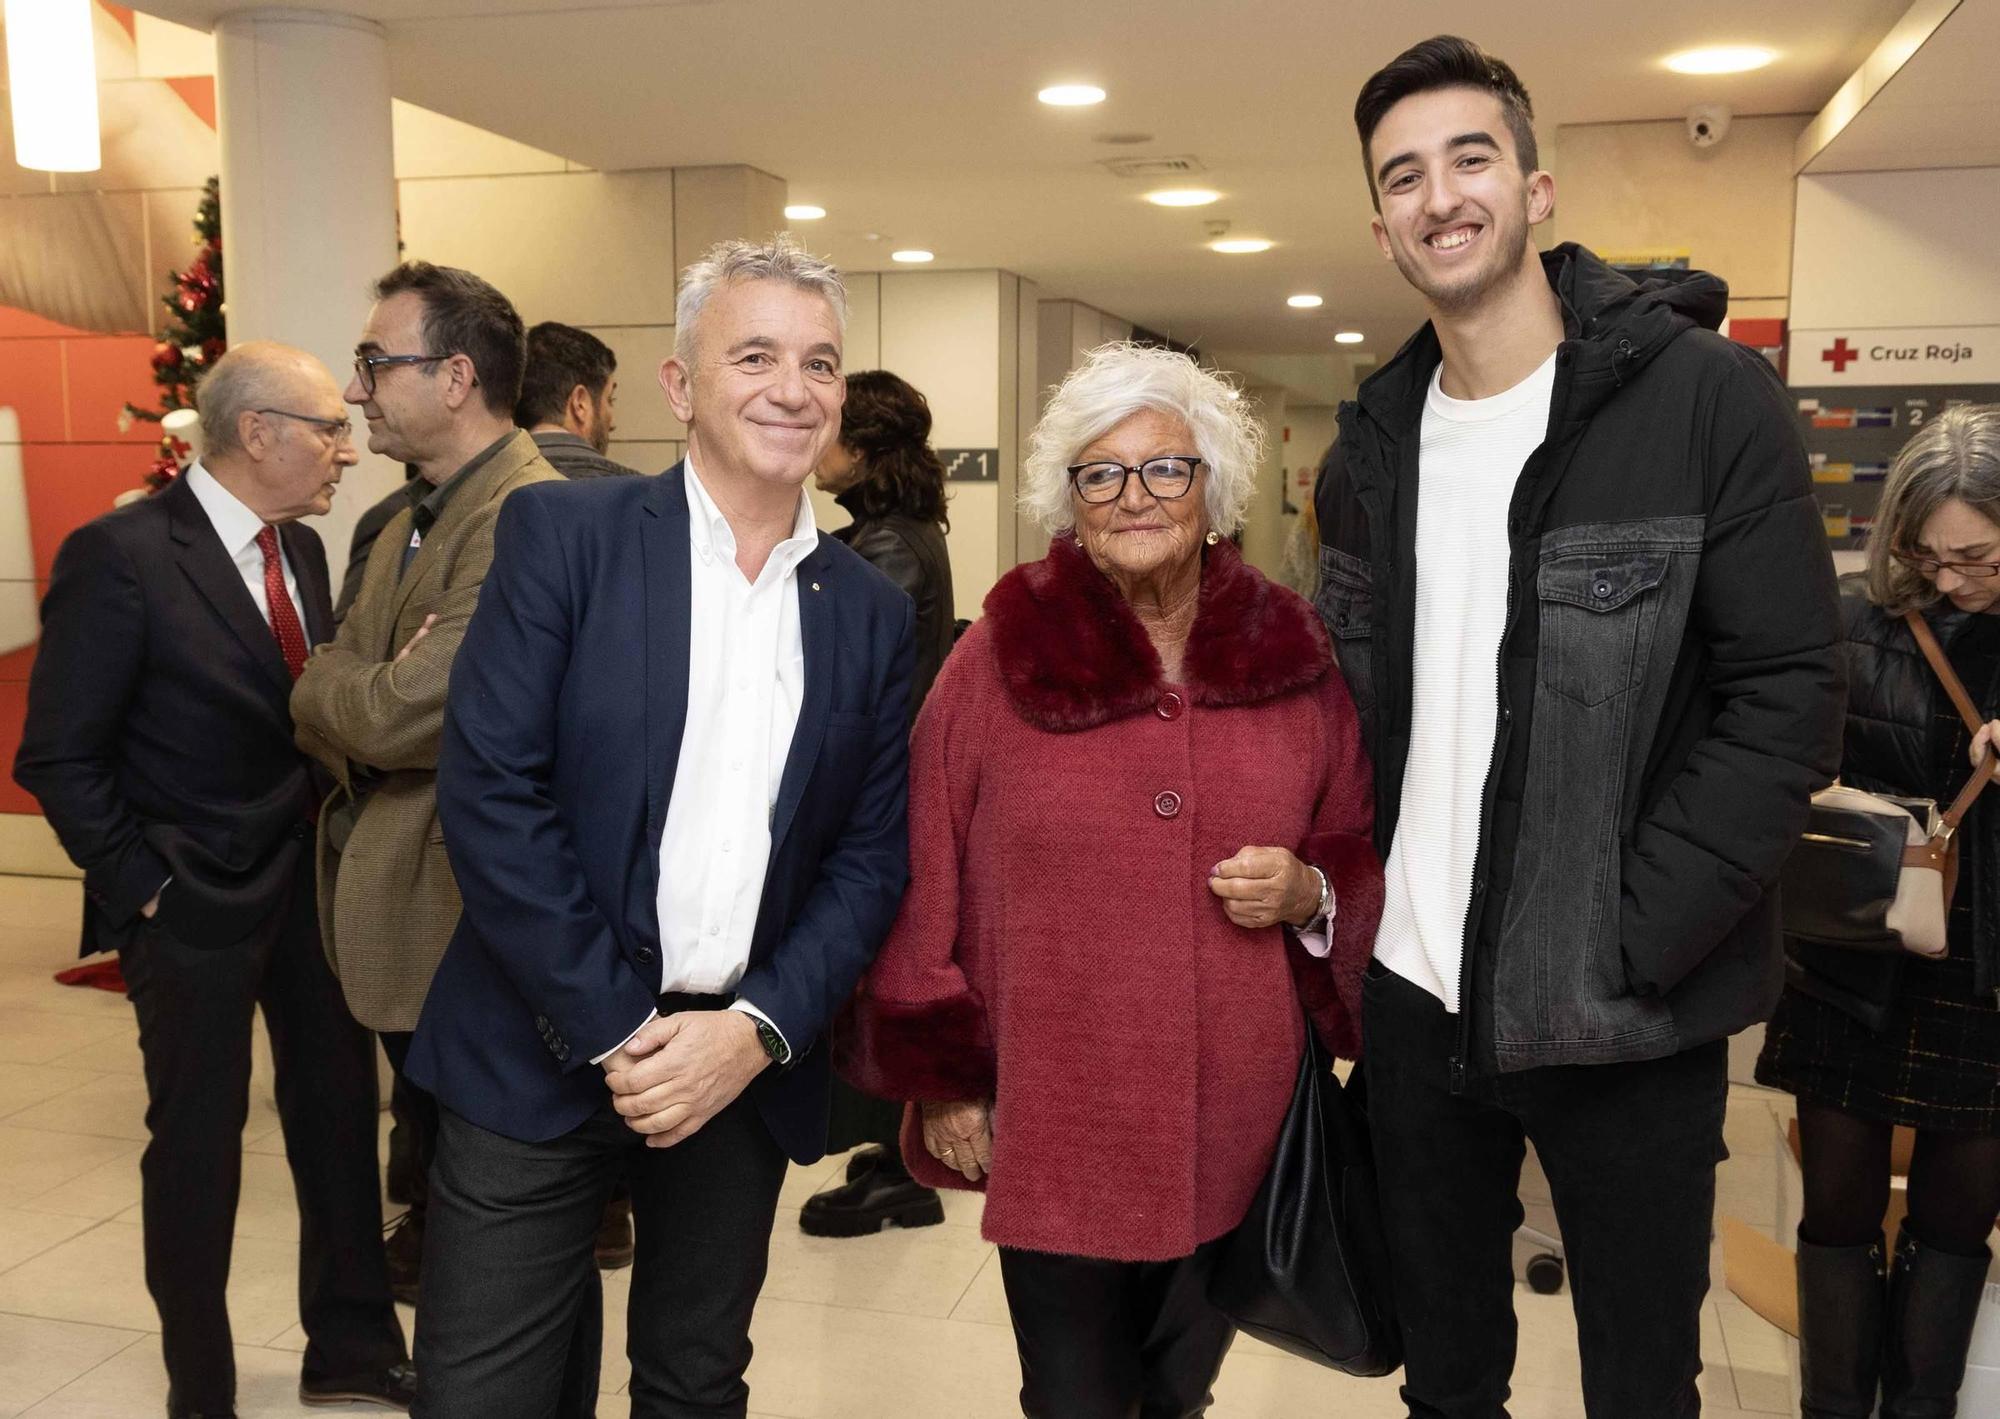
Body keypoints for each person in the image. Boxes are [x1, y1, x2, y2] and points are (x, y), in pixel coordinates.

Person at [1315, 36, 1844, 1418]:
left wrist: (1635, 926)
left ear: (1537, 187)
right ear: (1383, 227)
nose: (1442, 197)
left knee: (1638, 1383)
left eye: (1470, 157)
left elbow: (1787, 695)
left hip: (1626, 1005)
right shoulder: (1369, 442)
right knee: (1445, 1377)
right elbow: (1348, 704)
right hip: (1416, 993)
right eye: (1405, 177)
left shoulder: (1704, 399)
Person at [403, 235, 915, 1418]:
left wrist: (756, 1032)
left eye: (820, 363)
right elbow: (492, 793)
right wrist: (622, 1031)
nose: (793, 388)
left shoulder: (870, 613)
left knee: (693, 1383)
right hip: (538, 1037)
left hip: (735, 1067)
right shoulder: (563, 541)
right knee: (484, 1392)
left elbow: (870, 854)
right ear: (681, 387)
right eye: (754, 355)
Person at [841, 342, 1383, 1418]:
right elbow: (920, 865)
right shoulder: (999, 652)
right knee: (1074, 1395)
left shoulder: (1293, 654)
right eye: (1101, 473)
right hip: (1054, 1113)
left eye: (1165, 469)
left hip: (1239, 1114)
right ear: (1069, 499)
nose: (1134, 496)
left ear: (1213, 490)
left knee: (1178, 1392)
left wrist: (1308, 895)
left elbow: (1351, 850)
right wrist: (941, 1075)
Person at [14, 342, 413, 1417]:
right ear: (258, 432)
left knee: (339, 1121)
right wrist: (145, 888)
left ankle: (354, 1354)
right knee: (196, 1142)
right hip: (188, 902)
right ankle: (201, 1382)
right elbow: (56, 753)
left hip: (307, 893)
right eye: (330, 428)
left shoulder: (309, 557)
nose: (348, 449)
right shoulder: (124, 554)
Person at [290, 261, 561, 1304]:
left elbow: (404, 711)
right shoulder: (418, 511)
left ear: (454, 376)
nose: (355, 392)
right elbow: (349, 676)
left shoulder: (520, 517)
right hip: (400, 894)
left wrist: (337, 684)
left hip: (457, 912)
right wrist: (348, 682)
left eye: (372, 362)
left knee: (483, 1222)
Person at [1757, 404, 2000, 1419]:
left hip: (1985, 974)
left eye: (1976, 557)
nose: (1949, 581)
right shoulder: (1854, 623)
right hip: (1853, 957)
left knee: (1952, 1220)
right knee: (1836, 1210)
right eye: (1927, 554)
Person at [803, 367, 955, 1238]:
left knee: (881, 980)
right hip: (891, 789)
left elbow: (844, 683)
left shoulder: (886, 547)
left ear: (859, 449)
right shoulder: (890, 532)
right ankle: (895, 1153)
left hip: (881, 795)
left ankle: (904, 1168)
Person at [516, 321, 644, 480]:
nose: (612, 424)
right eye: (610, 399)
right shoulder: (638, 493)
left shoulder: (487, 489)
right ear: (580, 403)